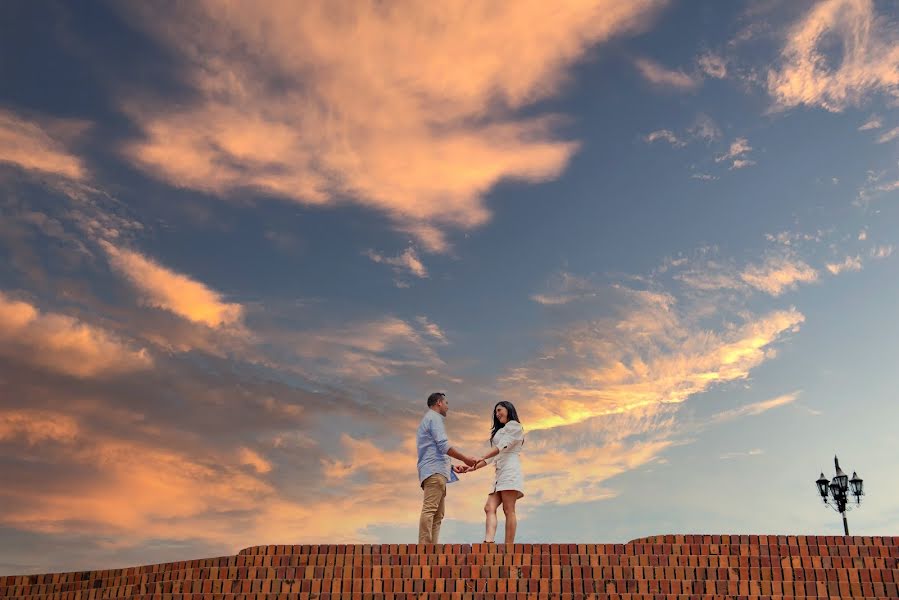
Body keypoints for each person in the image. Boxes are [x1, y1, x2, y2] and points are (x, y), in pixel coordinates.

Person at [416, 392, 478, 544]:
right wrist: (465, 459)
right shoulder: (434, 418)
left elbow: (432, 449)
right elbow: (443, 445)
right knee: (430, 510)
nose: (448, 407)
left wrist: (451, 467)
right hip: (434, 473)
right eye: (446, 403)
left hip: (436, 471)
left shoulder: (428, 420)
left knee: (438, 515)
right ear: (439, 402)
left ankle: (432, 549)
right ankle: (424, 550)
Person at [465, 401, 525, 545]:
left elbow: (501, 446)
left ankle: (508, 547)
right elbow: (492, 457)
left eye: (499, 410)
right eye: (495, 413)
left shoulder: (515, 426)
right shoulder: (500, 431)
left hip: (510, 471)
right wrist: (471, 468)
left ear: (509, 409)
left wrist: (482, 456)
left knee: (508, 509)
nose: (497, 414)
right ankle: (488, 543)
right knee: (489, 508)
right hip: (500, 474)